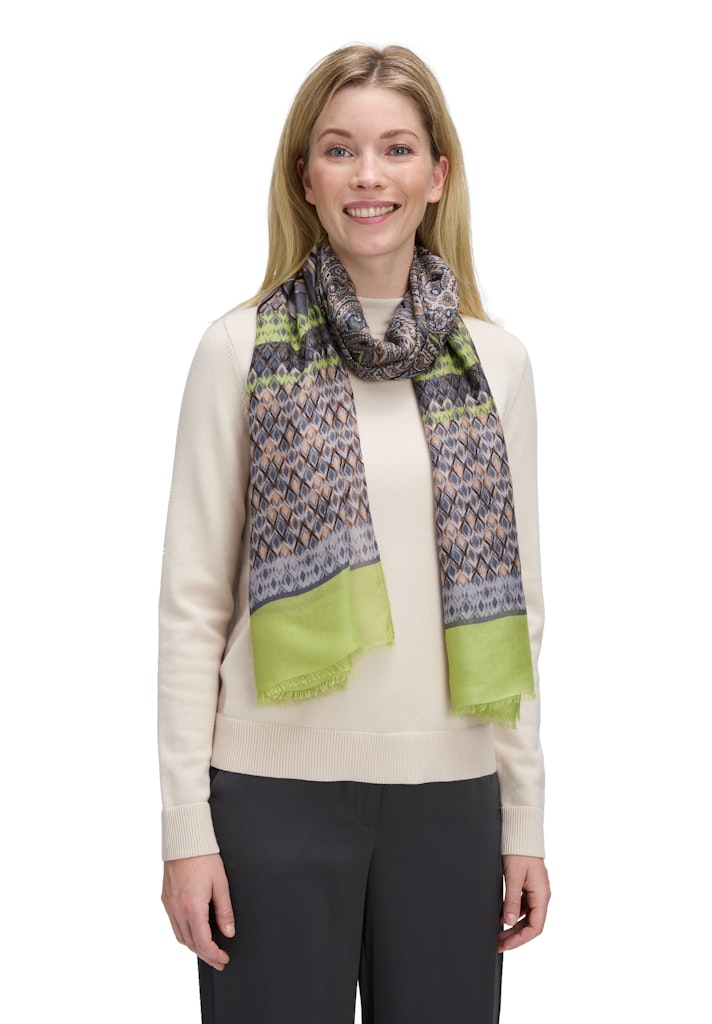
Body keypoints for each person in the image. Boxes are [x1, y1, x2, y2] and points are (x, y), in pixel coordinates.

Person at [159, 43, 550, 1024]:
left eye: (396, 149)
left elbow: (522, 612)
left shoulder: (496, 363)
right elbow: (192, 606)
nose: (368, 175)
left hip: (450, 797)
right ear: (306, 178)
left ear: (436, 175)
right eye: (339, 149)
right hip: (270, 799)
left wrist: (523, 817)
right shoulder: (238, 349)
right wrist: (184, 828)